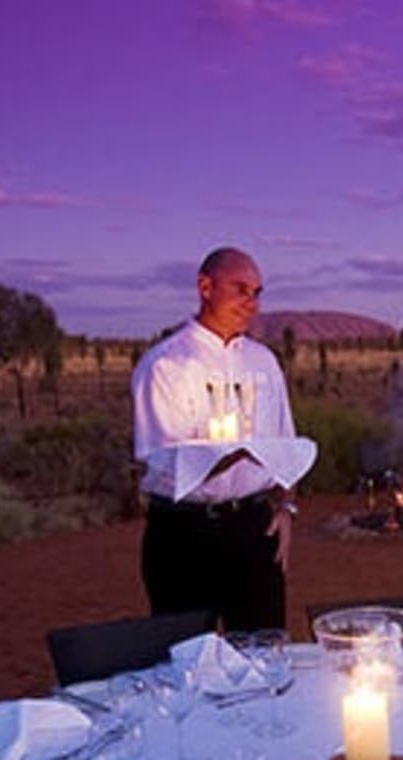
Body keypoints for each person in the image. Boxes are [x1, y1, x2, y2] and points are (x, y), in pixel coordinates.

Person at [131, 246, 300, 632]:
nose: (251, 302)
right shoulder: (165, 365)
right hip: (184, 535)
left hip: (254, 528)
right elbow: (172, 463)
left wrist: (286, 509)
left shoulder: (264, 362)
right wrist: (234, 453)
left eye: (257, 292)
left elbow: (287, 448)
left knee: (264, 659)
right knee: (188, 662)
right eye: (240, 289)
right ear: (205, 286)